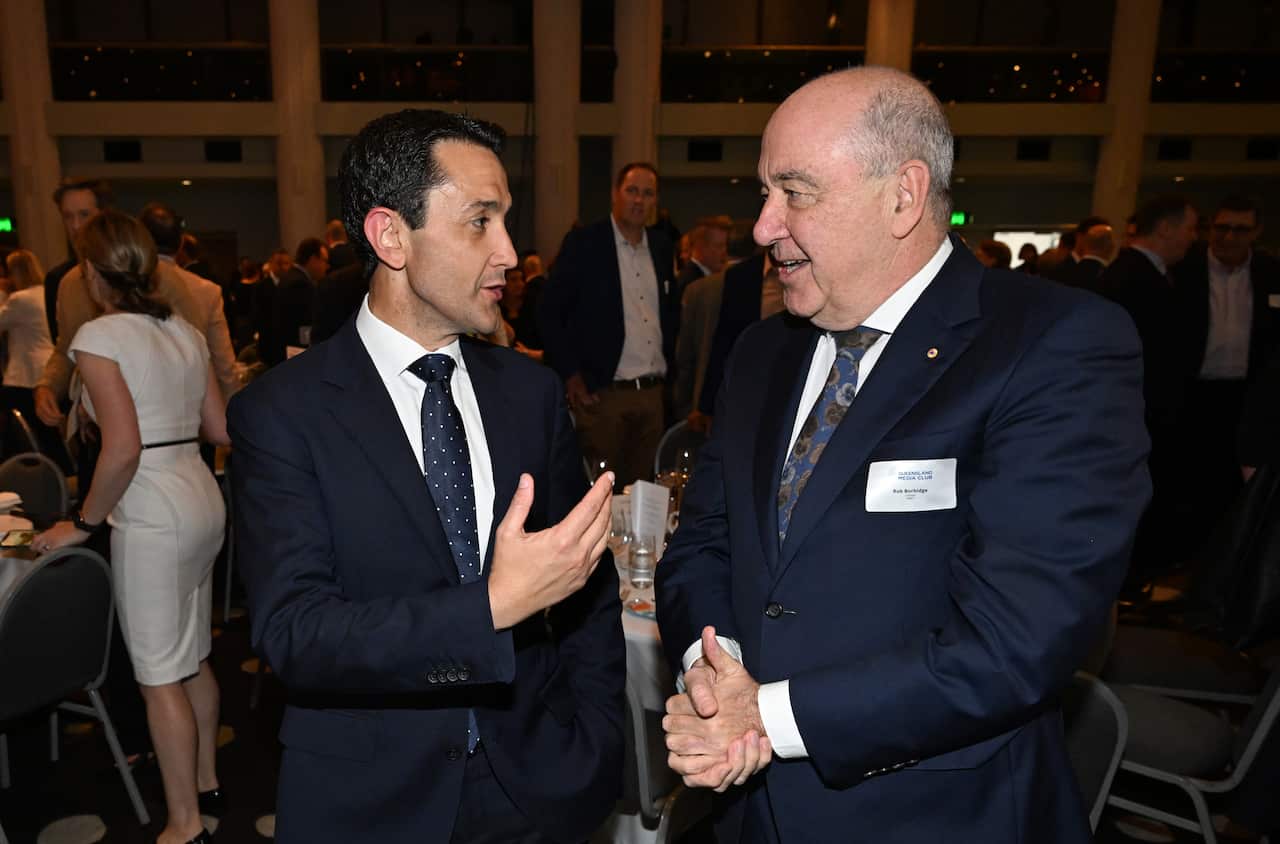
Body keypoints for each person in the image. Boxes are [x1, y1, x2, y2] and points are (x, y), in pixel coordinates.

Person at [656, 67, 1150, 844]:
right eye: (764, 192)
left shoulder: (1053, 345)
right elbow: (703, 545)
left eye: (796, 192)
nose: (762, 227)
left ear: (904, 196)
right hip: (749, 813)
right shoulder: (761, 352)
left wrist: (771, 716)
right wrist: (713, 675)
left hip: (939, 813)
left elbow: (1020, 640)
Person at [228, 108, 624, 844]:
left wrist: (594, 736)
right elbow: (296, 634)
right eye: (480, 222)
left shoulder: (529, 393)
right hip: (372, 802)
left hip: (537, 782)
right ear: (390, 236)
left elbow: (585, 587)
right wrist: (493, 607)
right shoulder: (282, 413)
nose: (509, 251)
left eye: (506, 219)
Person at [33, 210, 228, 844]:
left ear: (91, 271)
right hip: (201, 492)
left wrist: (81, 524)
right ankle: (205, 781)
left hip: (151, 507)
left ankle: (184, 825)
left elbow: (120, 449)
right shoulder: (183, 331)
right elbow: (222, 430)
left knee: (157, 673)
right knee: (193, 655)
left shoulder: (100, 336)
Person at [538, 162, 679, 486]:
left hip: (653, 395)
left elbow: (669, 316)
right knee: (598, 496)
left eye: (648, 193)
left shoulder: (661, 246)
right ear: (615, 195)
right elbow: (549, 311)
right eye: (632, 191)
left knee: (645, 497)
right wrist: (570, 374)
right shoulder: (585, 243)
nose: (639, 200)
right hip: (603, 394)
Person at [0, 250, 61, 461]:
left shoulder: (19, 299)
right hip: (49, 368)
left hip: (23, 376)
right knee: (50, 436)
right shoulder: (47, 292)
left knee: (24, 439)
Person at [45, 178, 112, 342]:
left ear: (103, 215)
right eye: (68, 216)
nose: (76, 226)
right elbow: (61, 346)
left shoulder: (129, 269)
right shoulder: (58, 279)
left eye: (84, 214)